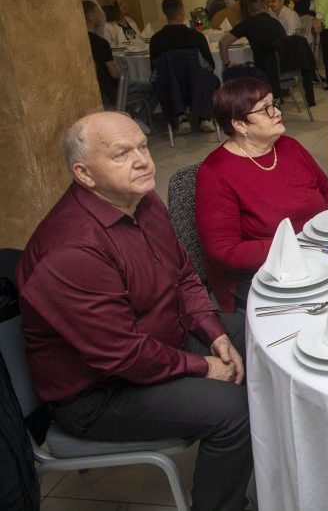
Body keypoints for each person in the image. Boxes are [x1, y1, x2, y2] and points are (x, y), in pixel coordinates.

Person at [18, 112, 252, 511]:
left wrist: (215, 334)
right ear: (85, 174)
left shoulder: (143, 201)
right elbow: (124, 355)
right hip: (100, 392)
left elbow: (183, 277)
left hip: (162, 342)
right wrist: (205, 366)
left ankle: (273, 464)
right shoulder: (71, 250)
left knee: (264, 332)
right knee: (234, 410)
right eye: (122, 154)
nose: (143, 160)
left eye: (142, 146)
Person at [196, 78, 328, 311]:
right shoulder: (215, 173)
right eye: (265, 108)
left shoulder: (290, 147)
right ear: (240, 125)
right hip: (264, 278)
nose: (277, 112)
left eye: (274, 103)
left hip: (321, 259)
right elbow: (224, 251)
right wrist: (296, 246)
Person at [148, 0, 220, 134]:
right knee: (207, 78)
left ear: (165, 13)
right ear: (182, 12)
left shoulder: (156, 40)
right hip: (196, 84)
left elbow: (155, 71)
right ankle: (204, 116)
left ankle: (180, 117)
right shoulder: (196, 36)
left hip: (170, 86)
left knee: (167, 81)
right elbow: (210, 65)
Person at [83, 1, 155, 134]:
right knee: (155, 85)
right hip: (112, 88)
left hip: (97, 90)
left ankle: (136, 115)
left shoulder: (80, 41)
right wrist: (125, 70)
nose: (101, 15)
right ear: (91, 16)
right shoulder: (100, 43)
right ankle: (138, 120)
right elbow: (115, 74)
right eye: (98, 12)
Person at [219, 0, 287, 93]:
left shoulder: (248, 23)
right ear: (265, 7)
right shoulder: (275, 22)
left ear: (249, 10)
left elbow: (223, 43)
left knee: (229, 73)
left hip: (263, 70)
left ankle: (238, 103)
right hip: (284, 66)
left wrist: (227, 64)